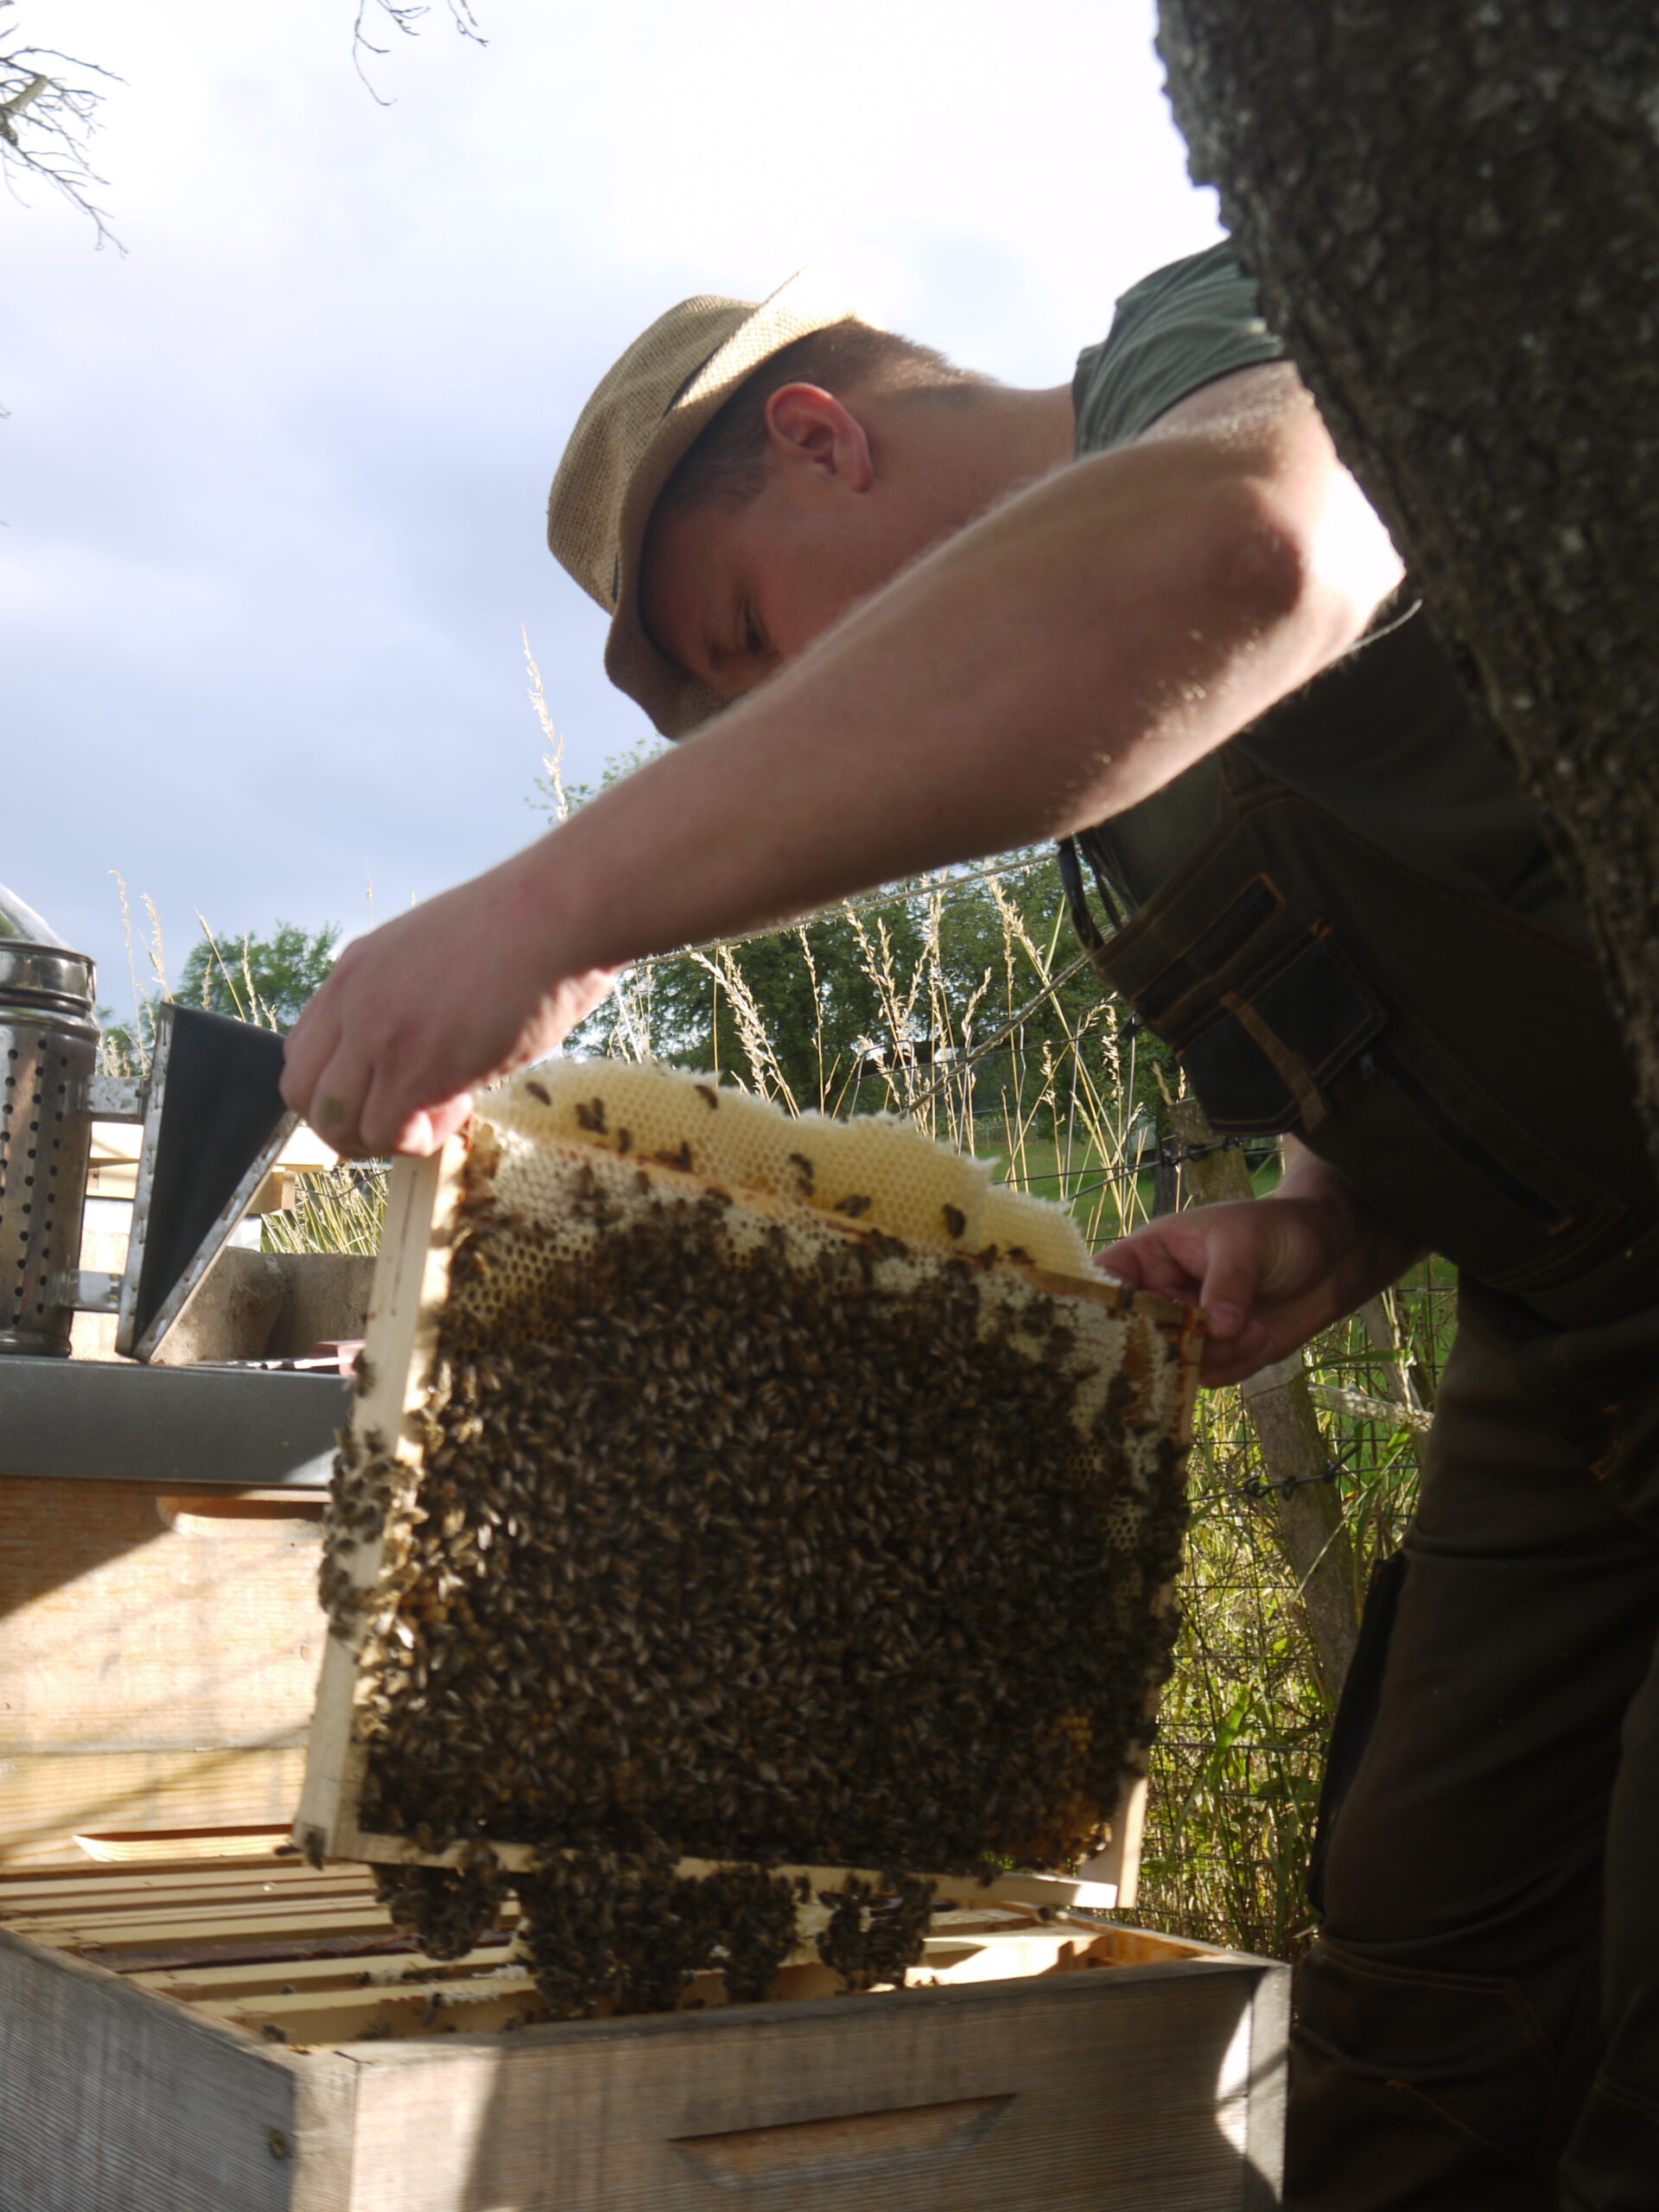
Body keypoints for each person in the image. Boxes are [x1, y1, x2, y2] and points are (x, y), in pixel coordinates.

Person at [282, 248, 1659, 2209]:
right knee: (1417, 2016)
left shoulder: (1199, 350)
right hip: (1576, 1328)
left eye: (749, 632)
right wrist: (1324, 1226)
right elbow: (1490, 924)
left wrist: (547, 908)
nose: (787, 706)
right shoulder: (1115, 808)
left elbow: (1268, 542)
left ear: (820, 435)